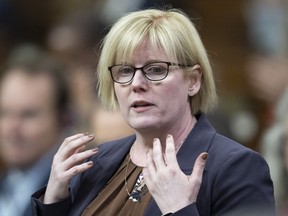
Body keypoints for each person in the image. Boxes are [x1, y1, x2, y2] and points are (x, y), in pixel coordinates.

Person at [31, 8, 275, 216]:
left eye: (156, 69)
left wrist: (179, 209)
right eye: (125, 71)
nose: (137, 83)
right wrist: (54, 203)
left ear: (193, 80)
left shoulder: (237, 168)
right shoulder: (96, 162)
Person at [0, 45, 73, 216]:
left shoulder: (77, 189)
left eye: (28, 115)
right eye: (3, 113)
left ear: (63, 118)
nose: (12, 128)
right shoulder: (6, 183)